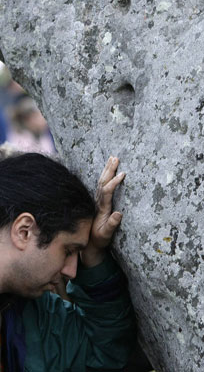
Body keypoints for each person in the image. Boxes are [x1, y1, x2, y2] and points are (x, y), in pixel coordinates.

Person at [0, 153, 136, 371]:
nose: (72, 272)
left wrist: (93, 255)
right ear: (24, 231)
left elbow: (103, 354)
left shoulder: (27, 313)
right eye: (69, 251)